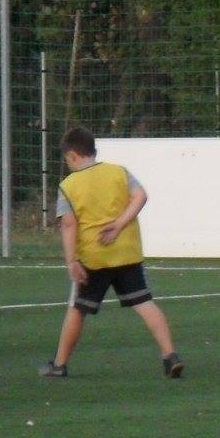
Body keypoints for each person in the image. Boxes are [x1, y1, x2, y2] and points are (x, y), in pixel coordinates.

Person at [41, 127, 183, 378]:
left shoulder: (68, 185)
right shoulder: (119, 172)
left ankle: (59, 365)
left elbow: (69, 225)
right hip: (127, 253)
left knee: (78, 309)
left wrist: (71, 260)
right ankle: (170, 355)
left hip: (93, 258)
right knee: (145, 303)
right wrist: (118, 224)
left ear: (72, 156)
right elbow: (141, 196)